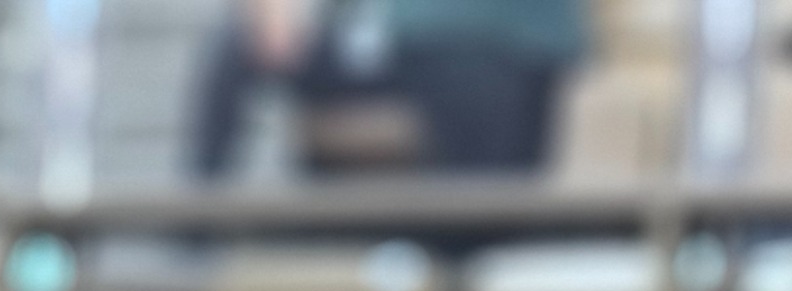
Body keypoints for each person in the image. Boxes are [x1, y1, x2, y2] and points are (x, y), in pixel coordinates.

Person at [190, 0, 578, 180]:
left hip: (488, 48)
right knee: (237, 42)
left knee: (478, 180)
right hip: (386, 47)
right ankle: (197, 233)